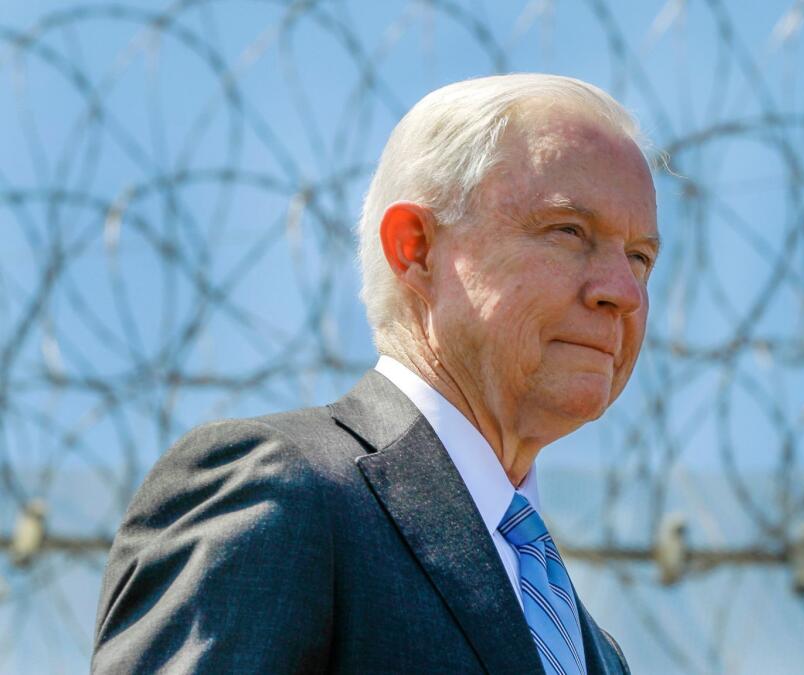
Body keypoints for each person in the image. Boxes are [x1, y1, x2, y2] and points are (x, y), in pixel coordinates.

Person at [91, 73, 658, 674]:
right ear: (415, 247)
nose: (621, 291)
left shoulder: (593, 649)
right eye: (568, 231)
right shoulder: (284, 494)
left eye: (641, 257)